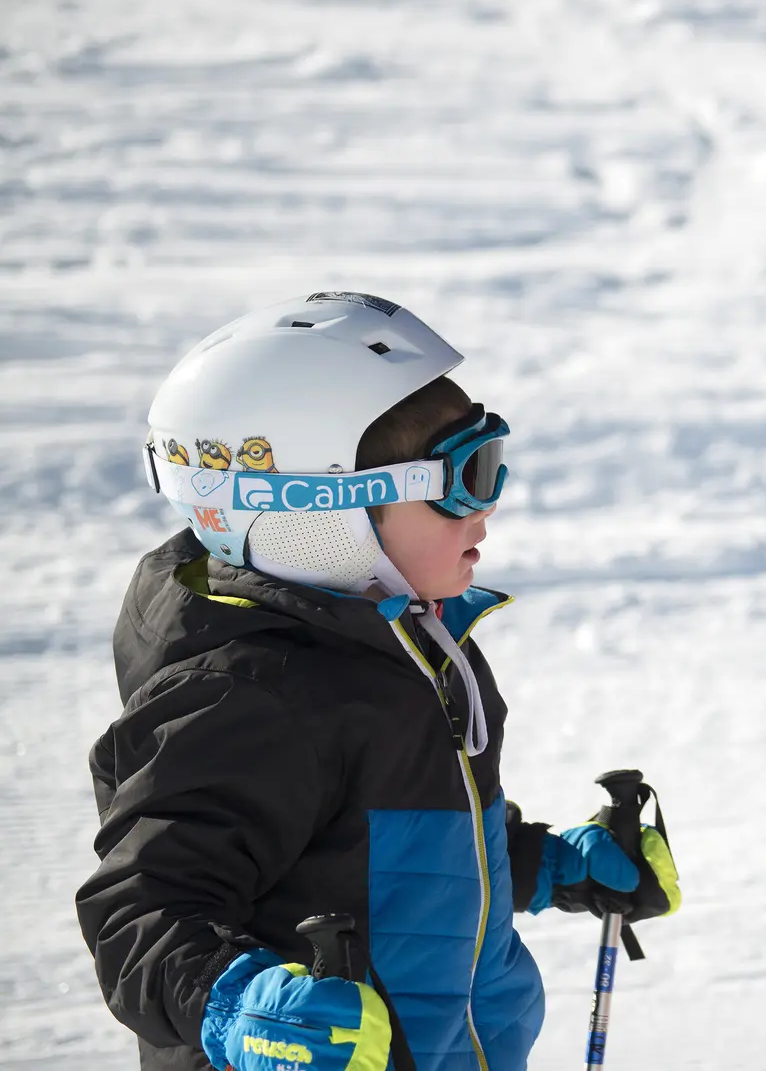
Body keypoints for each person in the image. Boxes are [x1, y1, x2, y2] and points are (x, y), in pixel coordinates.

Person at [77, 292, 681, 1071]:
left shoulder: (405, 640)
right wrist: (239, 1006)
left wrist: (548, 863)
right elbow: (140, 909)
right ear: (320, 512)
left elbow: (386, 857)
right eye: (461, 480)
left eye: (490, 463)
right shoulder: (250, 693)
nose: (485, 513)